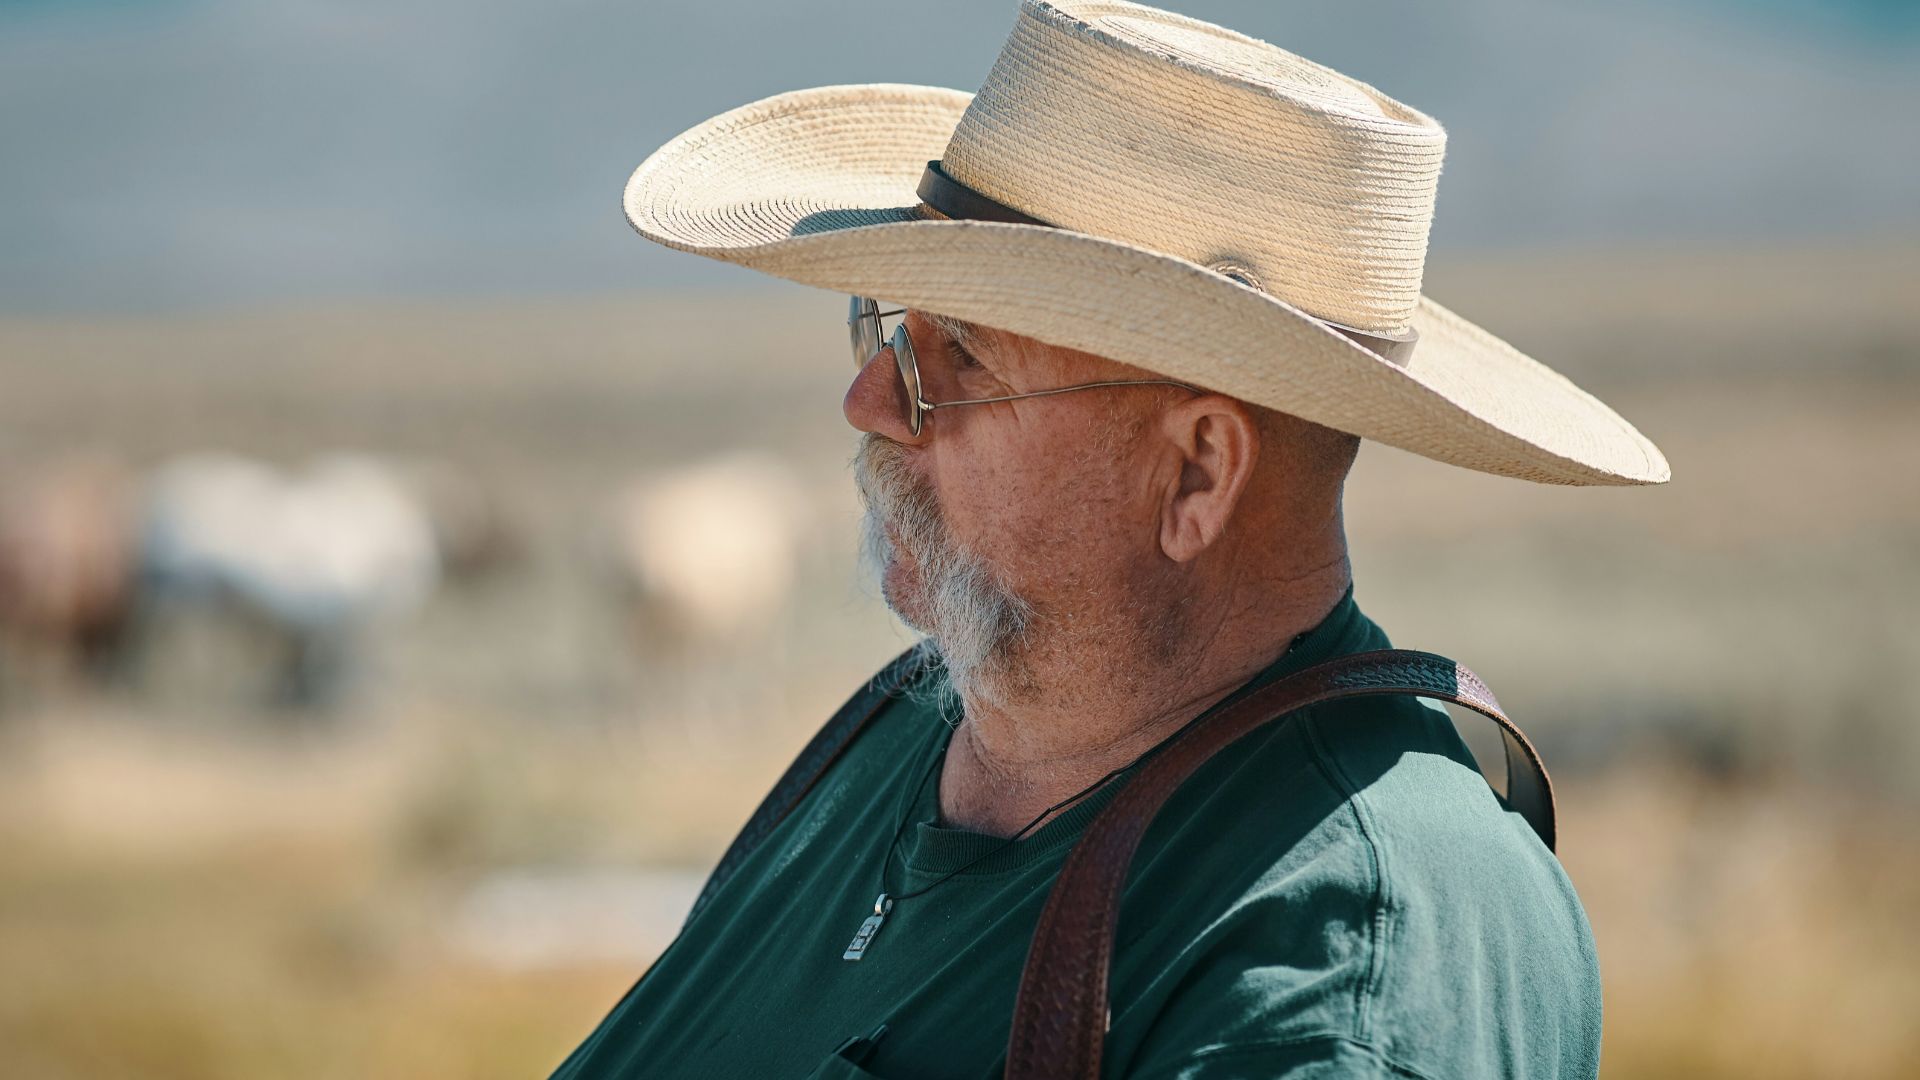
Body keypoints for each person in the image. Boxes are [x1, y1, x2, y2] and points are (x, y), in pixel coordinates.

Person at [554, 0, 1668, 1076]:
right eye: (890, 329)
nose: (871, 404)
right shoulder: (907, 730)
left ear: (1195, 473)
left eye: (968, 361)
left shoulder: (1342, 961)